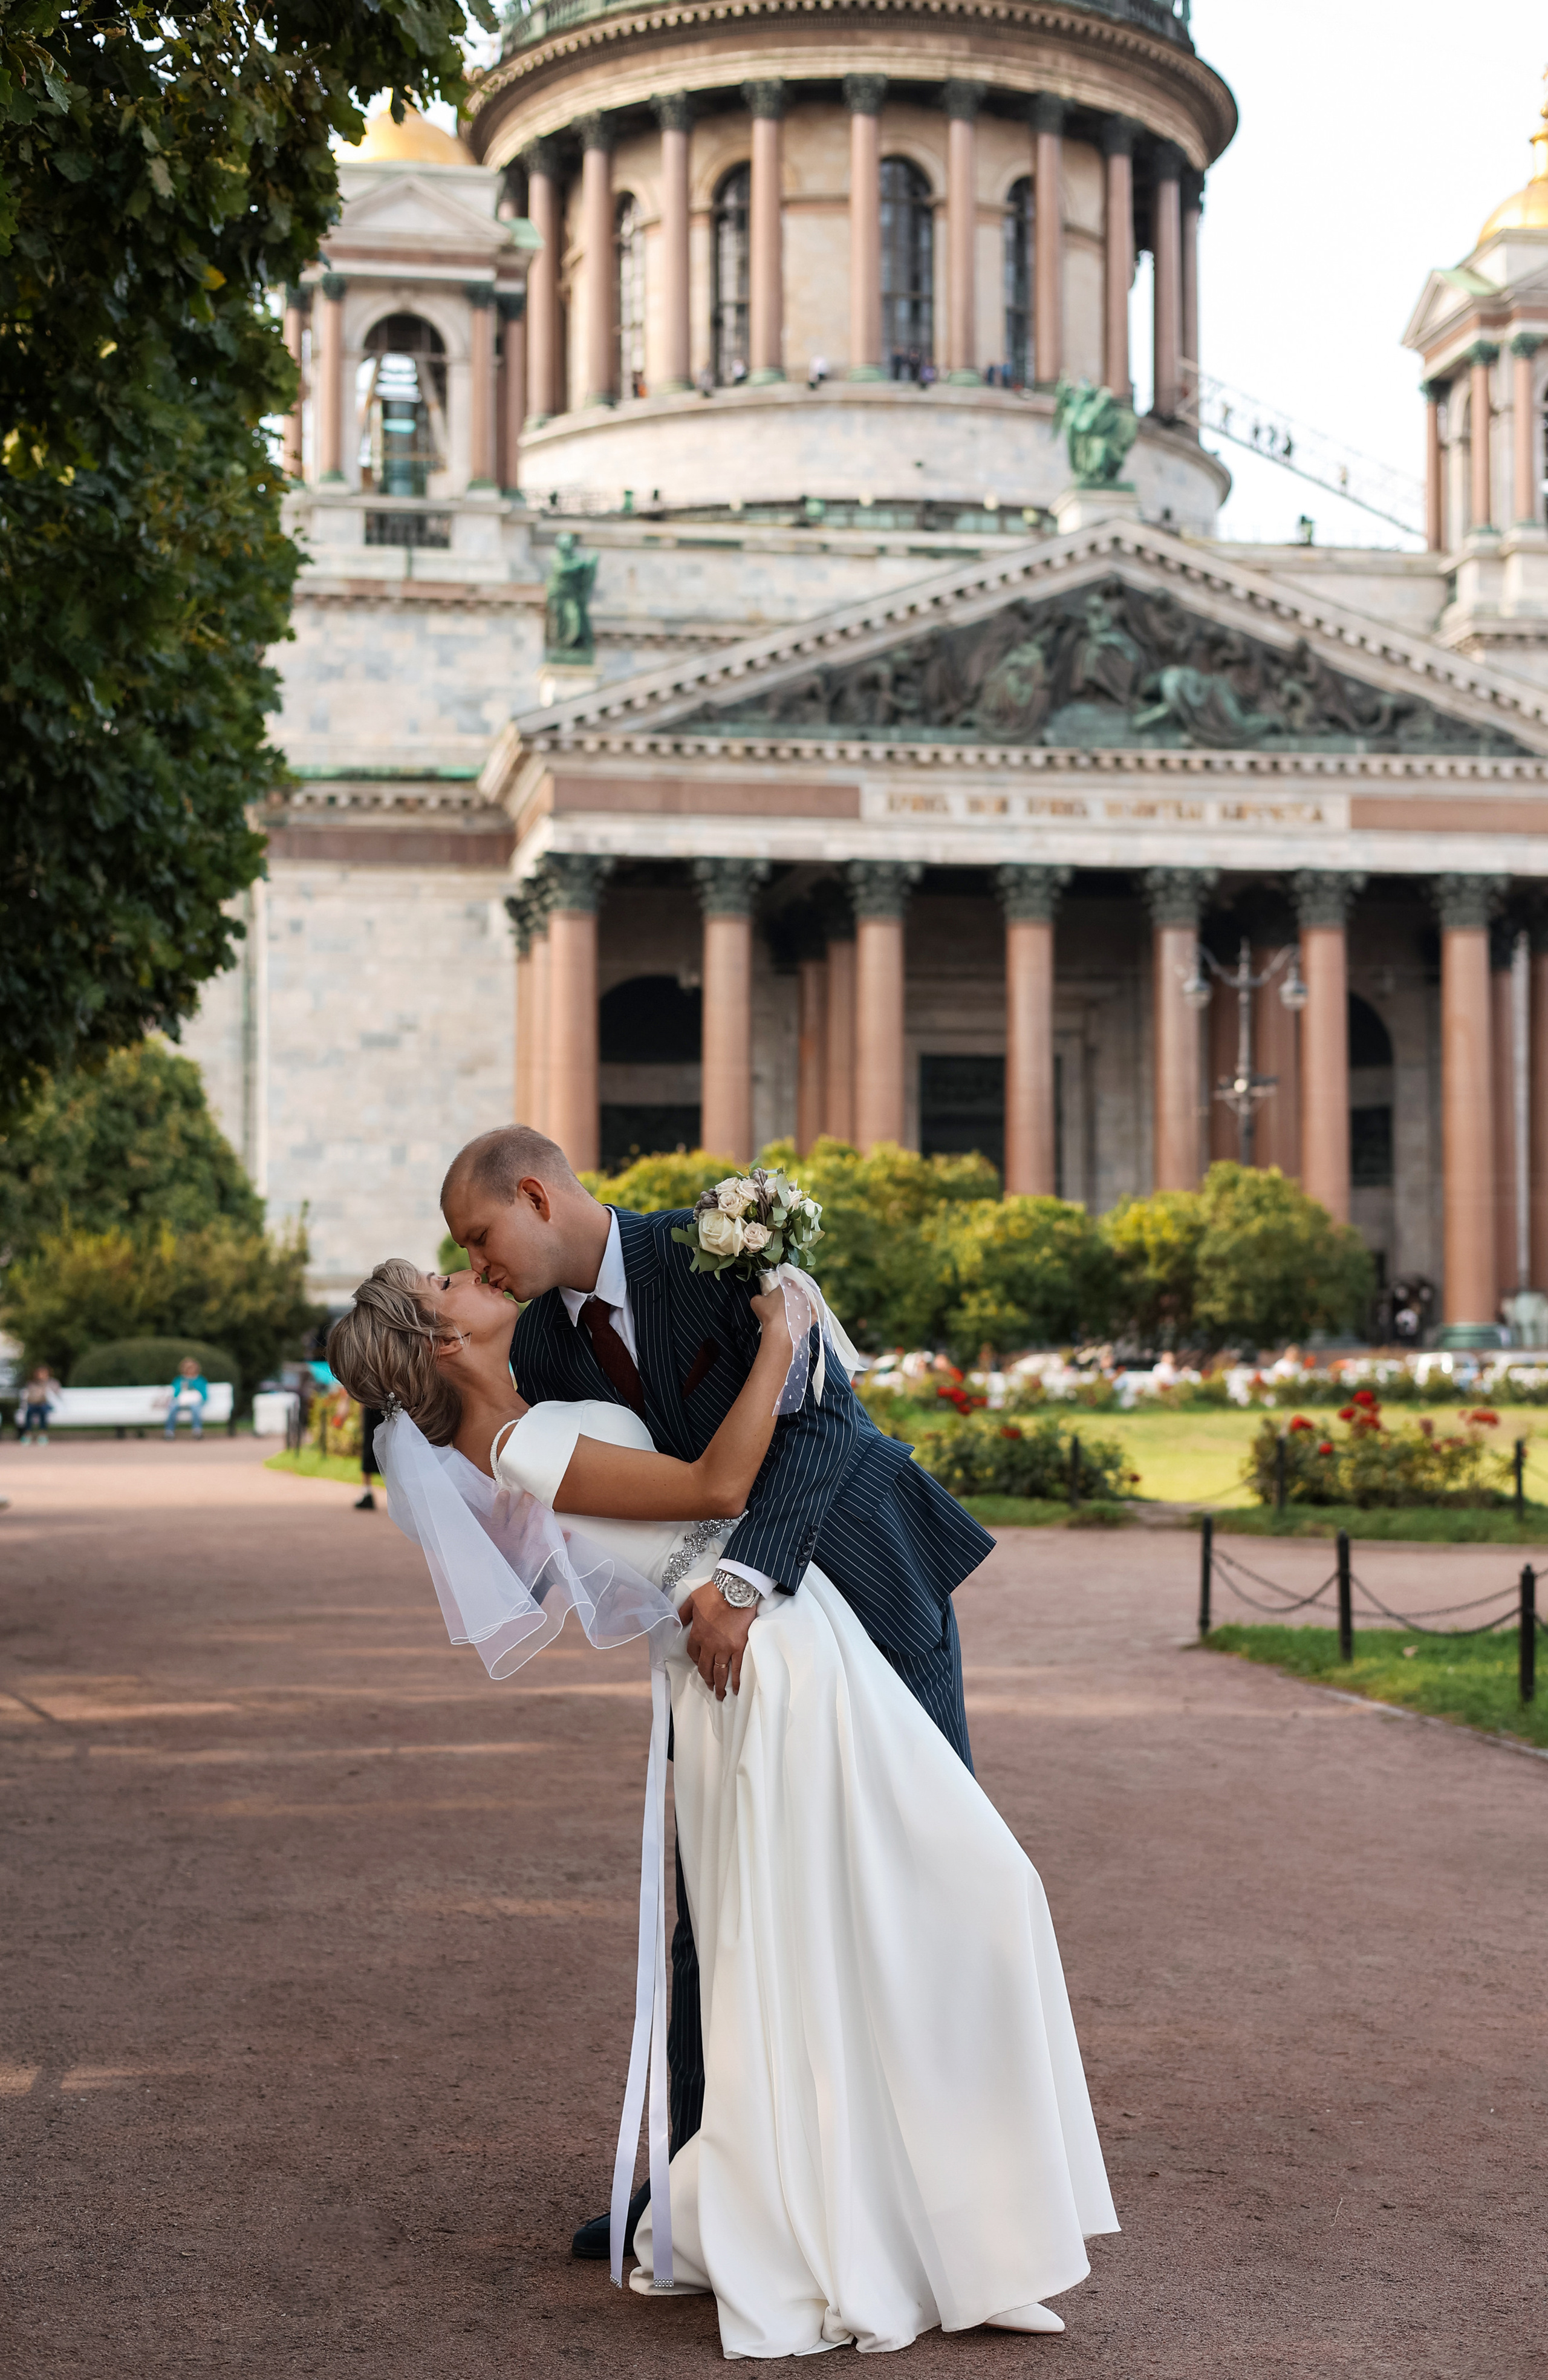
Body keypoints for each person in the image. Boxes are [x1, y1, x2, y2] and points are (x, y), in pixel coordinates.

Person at [163, 1357, 208, 1441]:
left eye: (192, 1368)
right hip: (182, 1401)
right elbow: (175, 1394)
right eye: (188, 1368)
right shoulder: (179, 1380)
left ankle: (197, 1431)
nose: (190, 1370)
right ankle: (169, 1431)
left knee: (196, 1408)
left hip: (195, 1401)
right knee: (172, 1407)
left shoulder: (200, 1380)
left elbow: (204, 1394)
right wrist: (182, 1386)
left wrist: (194, 1385)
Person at [19, 1365, 59, 1445]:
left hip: (45, 1405)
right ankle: (28, 1434)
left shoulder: (51, 1383)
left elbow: (56, 1393)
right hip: (34, 1405)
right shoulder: (32, 1384)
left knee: (43, 1411)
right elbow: (29, 1397)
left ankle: (43, 1434)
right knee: (29, 1412)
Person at [356, 1404, 385, 1510]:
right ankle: (367, 1491)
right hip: (386, 1406)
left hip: (372, 1406)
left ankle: (367, 1491)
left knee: (369, 1445)